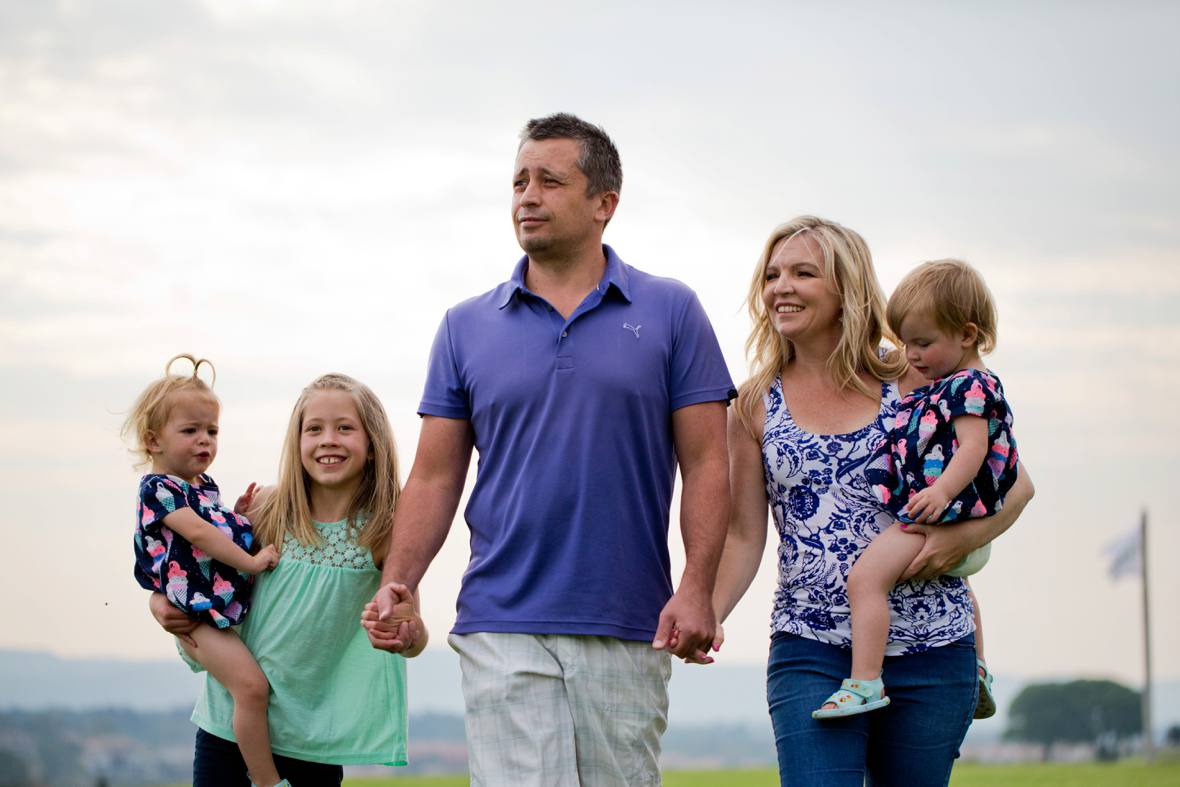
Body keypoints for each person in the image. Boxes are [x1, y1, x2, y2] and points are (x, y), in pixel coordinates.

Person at [365, 112, 734, 787]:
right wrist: (403, 582)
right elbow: (434, 476)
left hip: (627, 620)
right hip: (502, 619)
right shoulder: (464, 326)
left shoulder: (672, 310)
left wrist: (697, 587)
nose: (526, 196)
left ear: (604, 204)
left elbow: (709, 461)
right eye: (518, 182)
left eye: (549, 181)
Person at [711, 217, 1033, 786]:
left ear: (846, 290)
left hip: (932, 645)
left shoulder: (910, 374)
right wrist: (708, 612)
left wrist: (956, 539)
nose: (781, 287)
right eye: (772, 275)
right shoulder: (754, 403)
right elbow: (743, 536)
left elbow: (1015, 484)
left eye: (803, 273)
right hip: (810, 647)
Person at [149, 373, 424, 785]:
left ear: (372, 446)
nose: (327, 439)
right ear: (297, 443)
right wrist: (157, 604)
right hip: (229, 729)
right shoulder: (265, 511)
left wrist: (407, 633)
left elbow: (414, 638)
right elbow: (189, 571)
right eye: (314, 429)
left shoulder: (386, 531)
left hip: (313, 739)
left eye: (344, 428)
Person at [817, 259, 1018, 720]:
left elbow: (974, 447)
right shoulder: (950, 382)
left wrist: (943, 492)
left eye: (923, 343)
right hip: (951, 514)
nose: (911, 356)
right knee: (958, 583)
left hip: (945, 512)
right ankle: (979, 669)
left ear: (967, 334)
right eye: (906, 343)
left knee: (867, 579)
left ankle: (865, 681)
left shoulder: (970, 386)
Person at [126, 354, 285, 787]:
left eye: (212, 431)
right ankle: (269, 782)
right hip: (194, 612)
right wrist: (252, 560)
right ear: (153, 440)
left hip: (209, 604)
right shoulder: (158, 489)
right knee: (251, 688)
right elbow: (200, 535)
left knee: (254, 687)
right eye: (190, 431)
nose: (205, 441)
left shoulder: (200, 488)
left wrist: (235, 514)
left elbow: (209, 525)